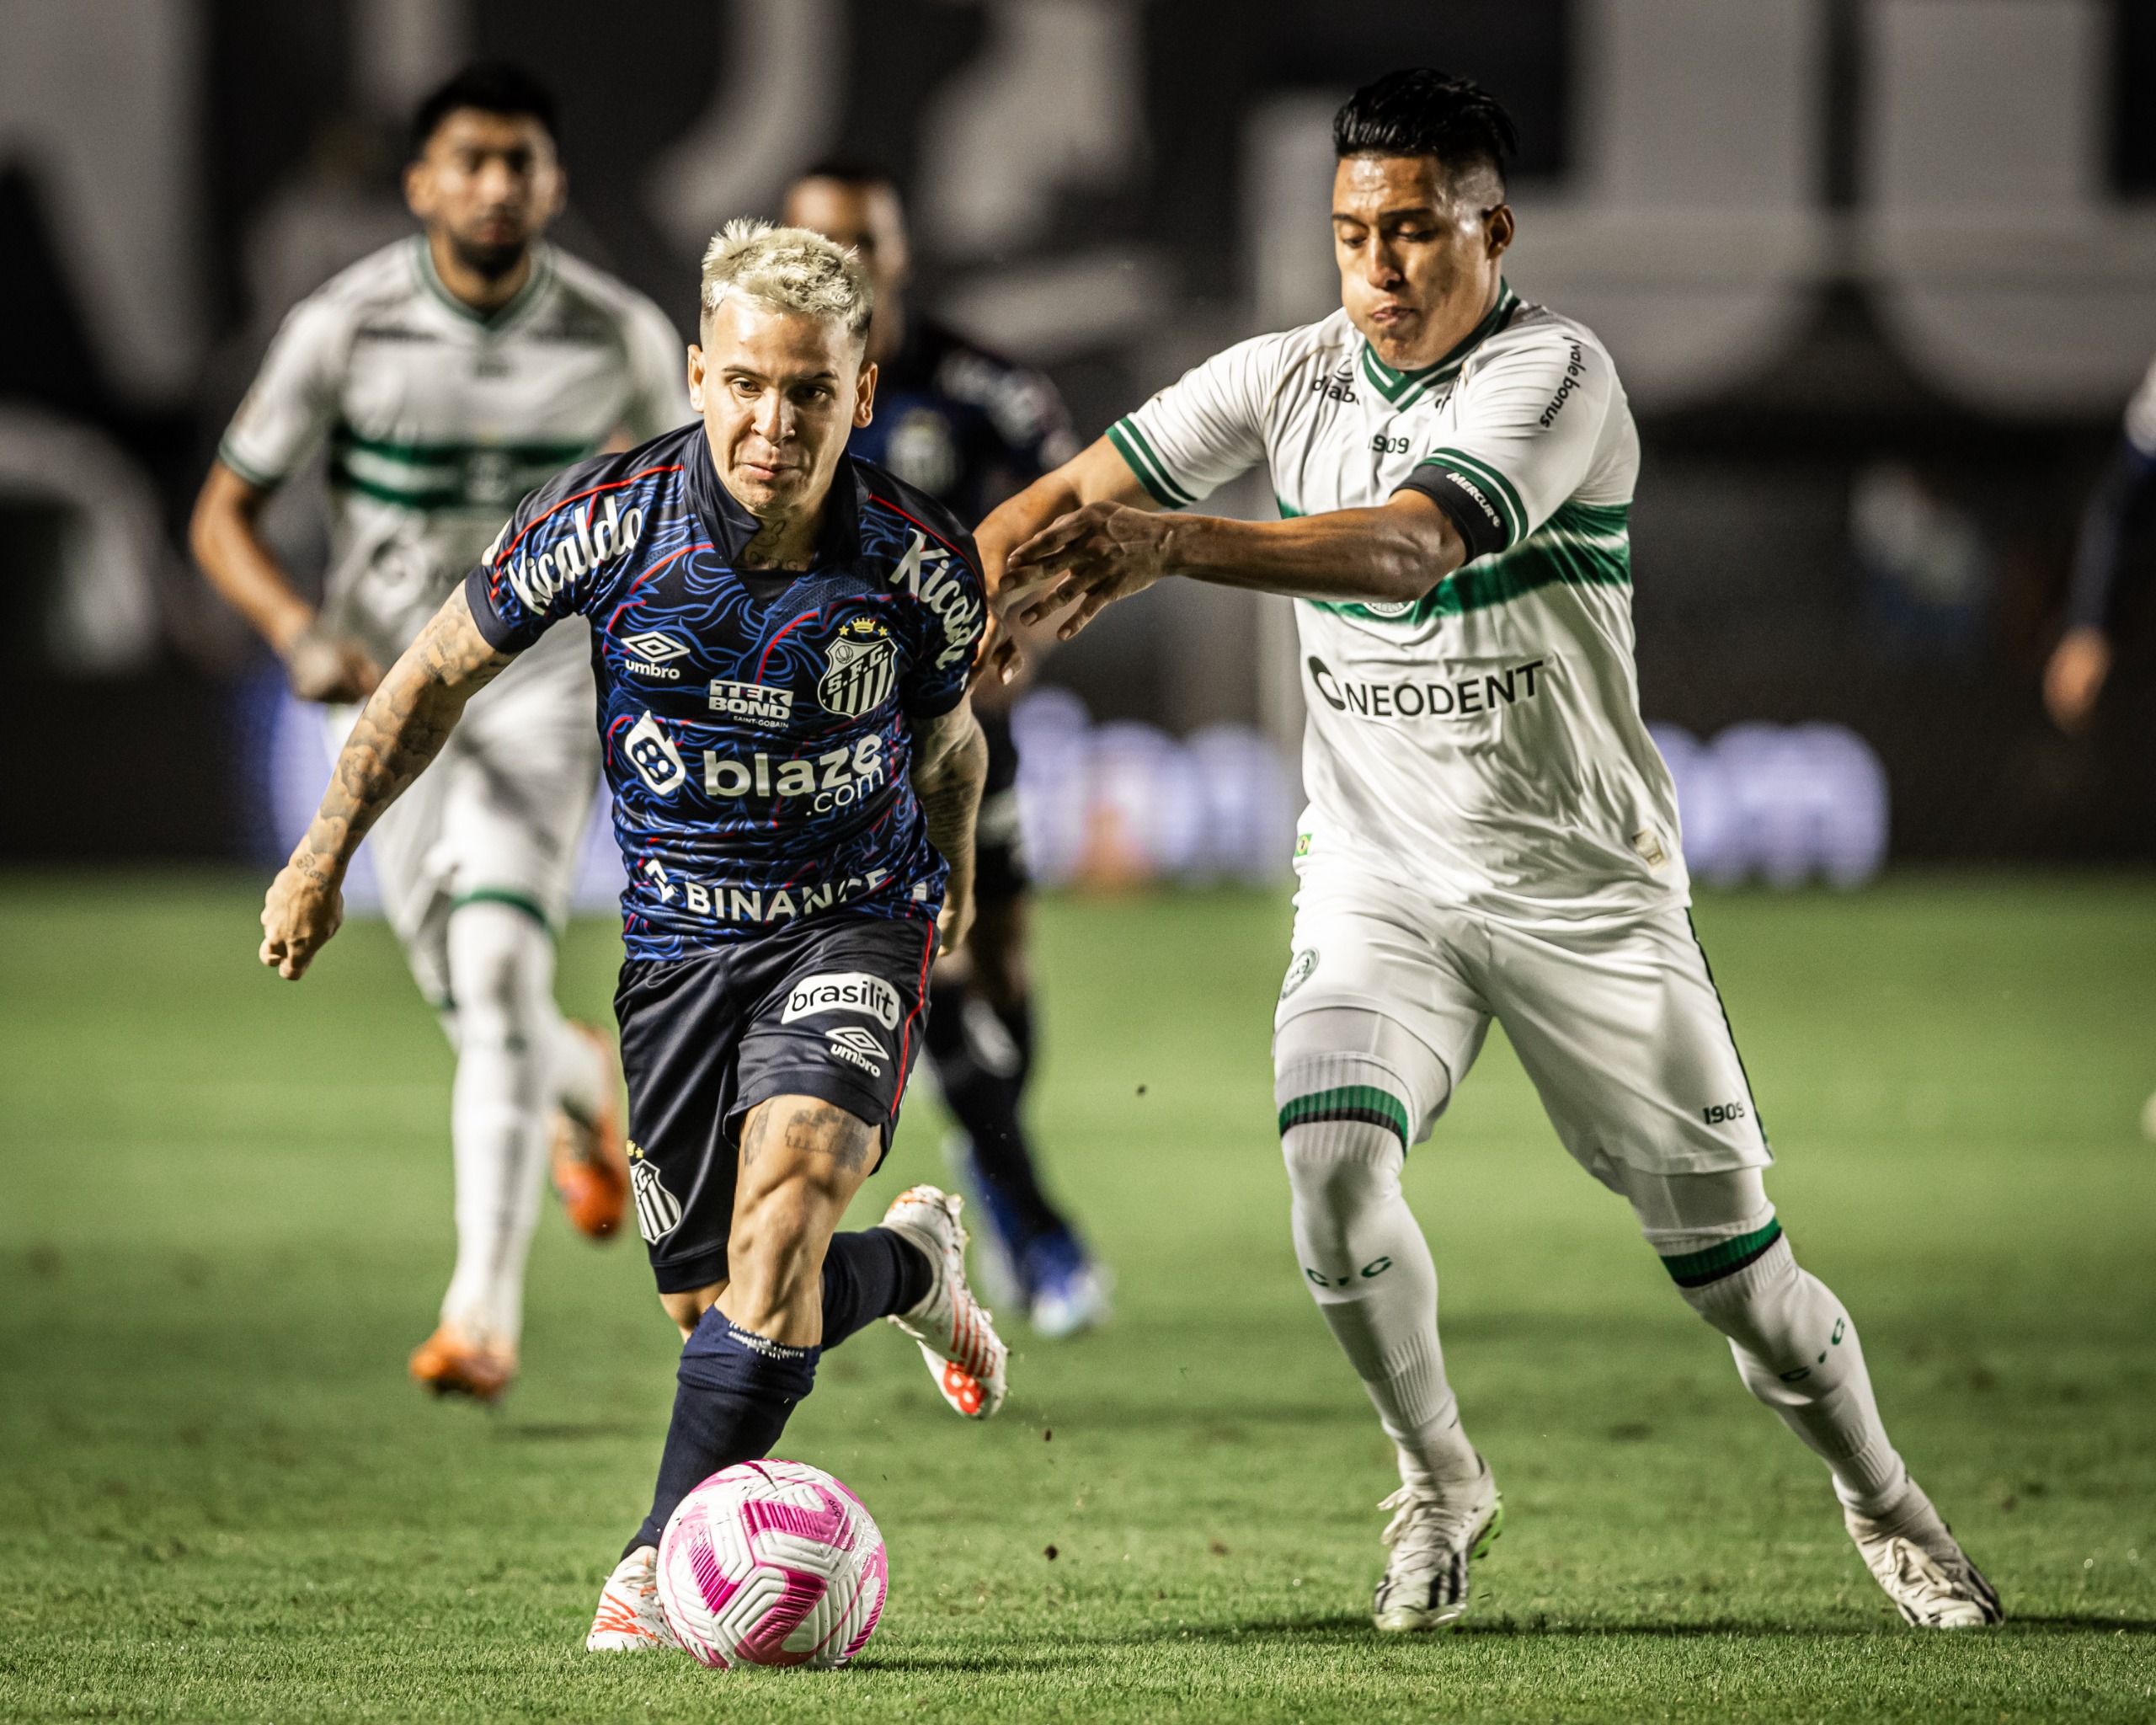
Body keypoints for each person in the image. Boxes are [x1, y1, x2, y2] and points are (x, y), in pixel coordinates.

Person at [985, 69, 2003, 1634]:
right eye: (1350, 236)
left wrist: (1177, 544)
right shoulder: (1282, 378)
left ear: (1494, 229)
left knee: (1747, 1290)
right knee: (1330, 1165)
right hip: (1381, 884)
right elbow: (1061, 496)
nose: (1378, 270)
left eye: (1412, 233)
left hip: (1586, 896)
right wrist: (935, 615)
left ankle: (1885, 1498)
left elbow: (1408, 549)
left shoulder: (1558, 375)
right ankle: (1438, 1479)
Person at [254, 218, 1008, 1653]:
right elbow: (429, 679)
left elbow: (949, 745)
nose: (771, 423)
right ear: (695, 376)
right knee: (725, 1312)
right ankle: (914, 1270)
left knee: (786, 1215)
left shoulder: (920, 561)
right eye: (741, 384)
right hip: (676, 951)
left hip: (853, 920)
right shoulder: (607, 520)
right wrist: (323, 852)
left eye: (807, 392)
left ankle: (654, 1565)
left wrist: (954, 879)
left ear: (862, 392)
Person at [193, 63, 695, 1402]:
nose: (493, 184)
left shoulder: (619, 335)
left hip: (540, 697)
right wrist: (297, 628)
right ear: (420, 183)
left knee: (488, 968)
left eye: (517, 160)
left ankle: (480, 1312)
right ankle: (584, 1082)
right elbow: (221, 515)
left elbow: (696, 521)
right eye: (467, 160)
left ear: (554, 183)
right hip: (392, 697)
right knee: (475, 996)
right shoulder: (343, 329)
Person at [782, 163, 1108, 1335]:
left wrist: (1008, 643)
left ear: (901, 247)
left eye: (861, 238)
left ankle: (990, 1148)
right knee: (950, 974)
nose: (842, 260)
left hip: (977, 736)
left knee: (1004, 972)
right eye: (817, 240)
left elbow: (1072, 529)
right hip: (843, 761)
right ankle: (1035, 1228)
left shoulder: (986, 391)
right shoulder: (776, 397)